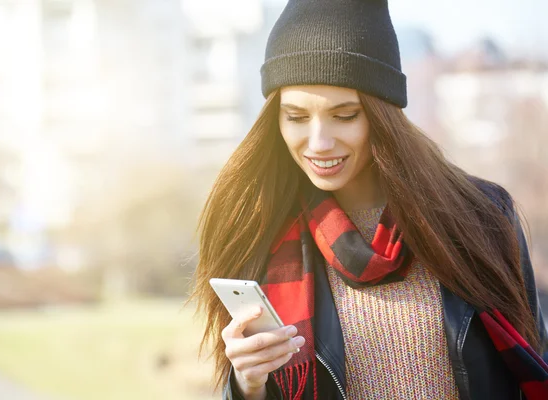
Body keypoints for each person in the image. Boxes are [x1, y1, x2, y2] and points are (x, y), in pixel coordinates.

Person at [189, 0, 548, 399]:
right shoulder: (261, 233)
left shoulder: (479, 217)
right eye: (296, 116)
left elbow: (531, 360)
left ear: (382, 114)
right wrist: (246, 385)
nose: (319, 143)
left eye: (345, 115)